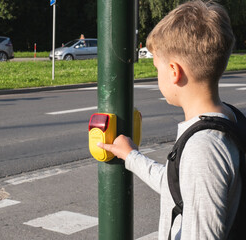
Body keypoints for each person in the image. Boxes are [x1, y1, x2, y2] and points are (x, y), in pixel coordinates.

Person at [97, 1, 240, 239]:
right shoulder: (229, 118)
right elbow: (179, 187)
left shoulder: (202, 148)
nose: (157, 76)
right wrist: (132, 157)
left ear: (175, 72)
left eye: (156, 67)